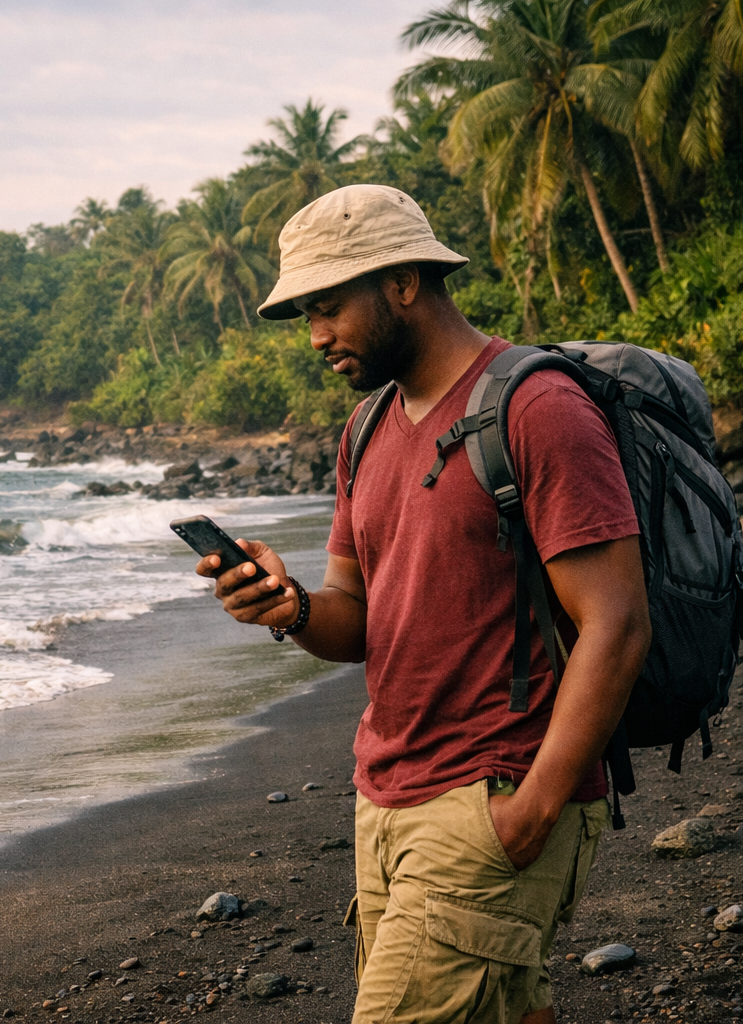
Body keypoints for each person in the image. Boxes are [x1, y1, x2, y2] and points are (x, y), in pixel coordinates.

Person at [197, 184, 651, 1024]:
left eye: (328, 306)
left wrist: (534, 809)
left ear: (404, 281)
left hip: (493, 796)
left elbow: (617, 622)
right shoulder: (365, 428)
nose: (317, 336)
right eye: (306, 314)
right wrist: (287, 605)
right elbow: (355, 619)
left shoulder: (537, 408)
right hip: (387, 797)